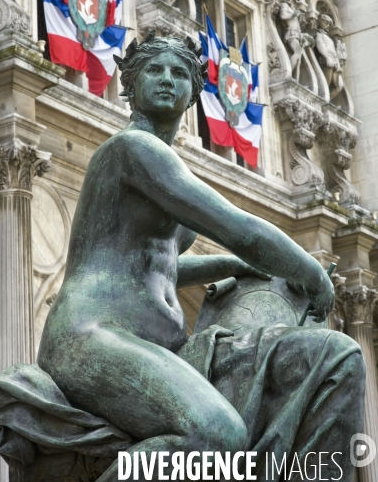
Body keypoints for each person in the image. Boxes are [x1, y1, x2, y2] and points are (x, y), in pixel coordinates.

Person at [37, 33, 364, 482]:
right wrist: (309, 272)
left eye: (178, 73)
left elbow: (155, 272)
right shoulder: (133, 149)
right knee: (215, 435)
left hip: (159, 347)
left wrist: (230, 267)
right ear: (129, 84)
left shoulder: (164, 162)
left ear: (194, 92)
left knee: (334, 355)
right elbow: (241, 231)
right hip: (92, 337)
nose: (167, 80)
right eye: (154, 70)